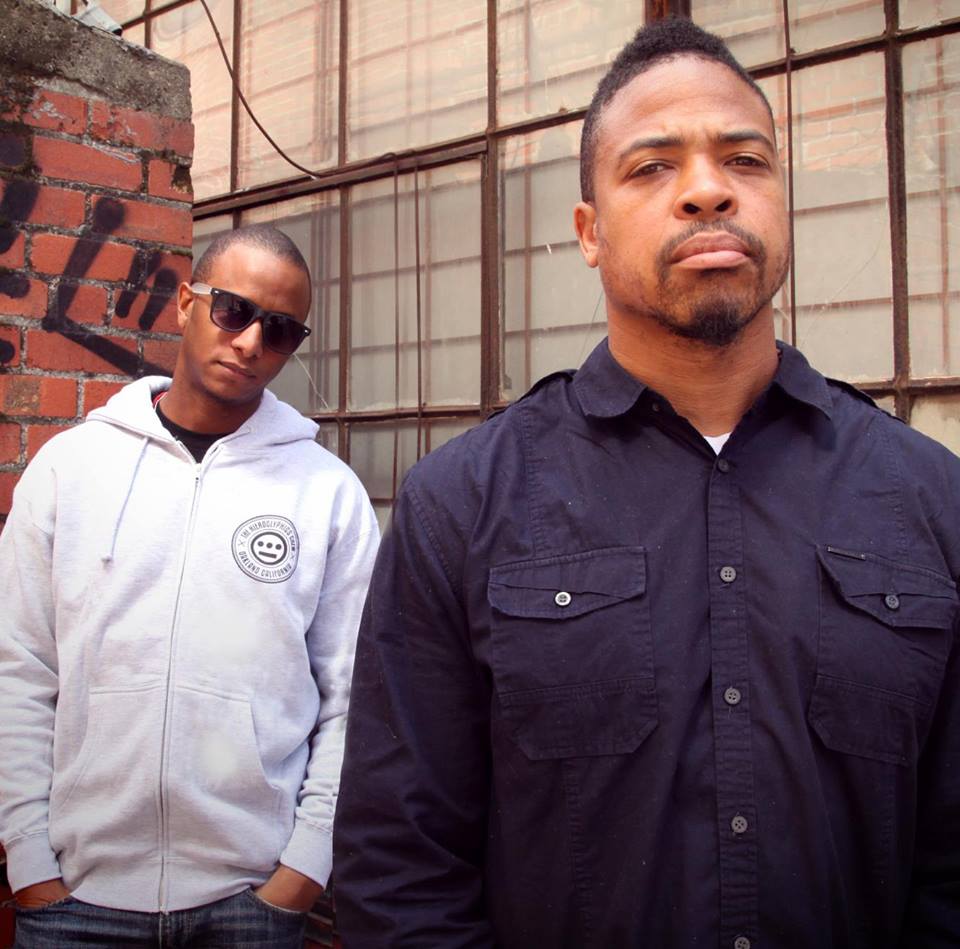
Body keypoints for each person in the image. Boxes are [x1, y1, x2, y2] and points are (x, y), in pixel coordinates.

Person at [332, 18, 960, 948]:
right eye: (653, 166)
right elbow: (399, 867)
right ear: (589, 232)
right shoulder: (460, 503)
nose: (708, 190)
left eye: (745, 160)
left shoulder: (930, 497)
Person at [0, 224, 379, 946]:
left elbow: (354, 694)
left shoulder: (326, 493)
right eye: (233, 310)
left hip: (250, 903)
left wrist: (303, 868)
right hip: (75, 901)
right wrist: (30, 861)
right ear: (185, 303)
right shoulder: (70, 469)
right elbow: (18, 670)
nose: (250, 343)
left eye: (280, 330)